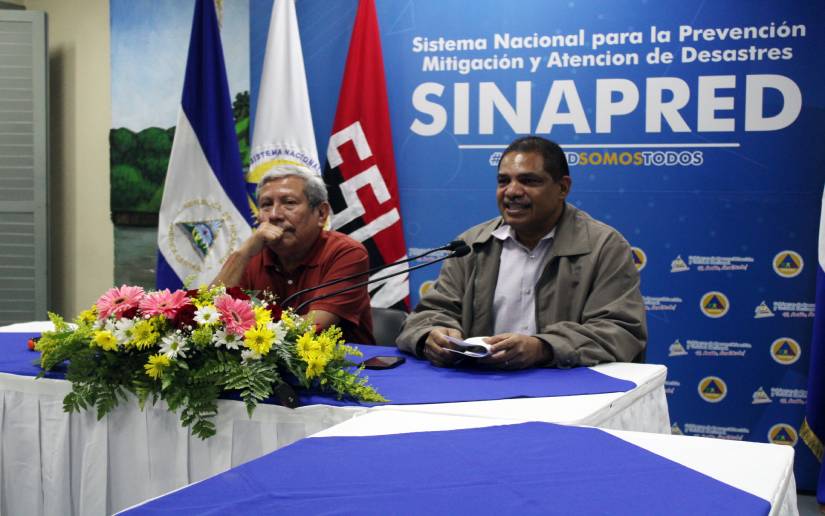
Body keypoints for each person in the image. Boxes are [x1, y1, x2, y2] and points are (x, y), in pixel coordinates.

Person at [397, 136, 646, 369]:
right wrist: (432, 334)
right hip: (482, 384)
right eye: (503, 181)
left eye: (528, 181)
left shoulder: (604, 247)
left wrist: (543, 348)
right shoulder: (472, 245)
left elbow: (620, 330)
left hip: (569, 388)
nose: (512, 191)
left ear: (562, 188)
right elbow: (430, 313)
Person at [213, 166, 374, 344]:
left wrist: (239, 327)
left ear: (321, 213)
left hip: (341, 360)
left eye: (289, 203)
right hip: (260, 359)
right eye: (266, 205)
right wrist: (242, 254)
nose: (274, 215)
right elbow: (208, 316)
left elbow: (314, 327)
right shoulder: (251, 255)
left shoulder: (346, 253)